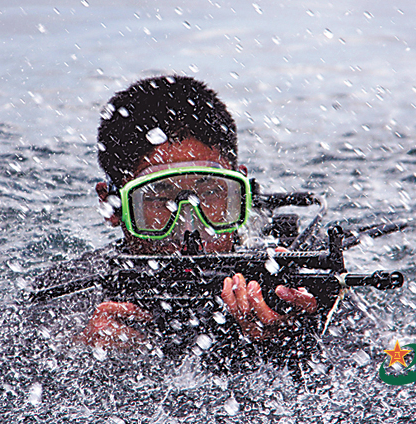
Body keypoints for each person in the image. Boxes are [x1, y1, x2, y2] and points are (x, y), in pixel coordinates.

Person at [38, 75, 327, 372]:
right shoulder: (67, 297)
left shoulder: (295, 281)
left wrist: (297, 343)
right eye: (157, 198)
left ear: (242, 195)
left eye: (211, 193)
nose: (189, 228)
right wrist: (82, 356)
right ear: (111, 205)